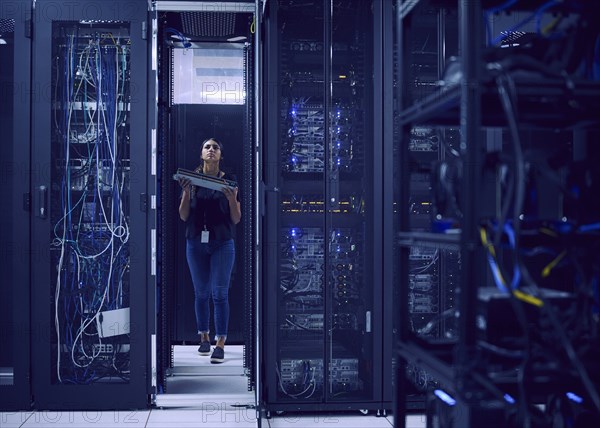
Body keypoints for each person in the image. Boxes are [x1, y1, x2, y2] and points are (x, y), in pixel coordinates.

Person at [178, 137, 241, 364]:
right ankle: (203, 336)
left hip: (222, 243)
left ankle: (220, 342)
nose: (211, 150)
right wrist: (186, 193)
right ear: (201, 154)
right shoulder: (192, 181)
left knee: (220, 294)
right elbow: (184, 216)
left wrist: (231, 199)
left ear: (220, 155)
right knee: (201, 293)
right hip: (195, 242)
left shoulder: (230, 181)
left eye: (215, 147)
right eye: (207, 147)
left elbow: (236, 218)